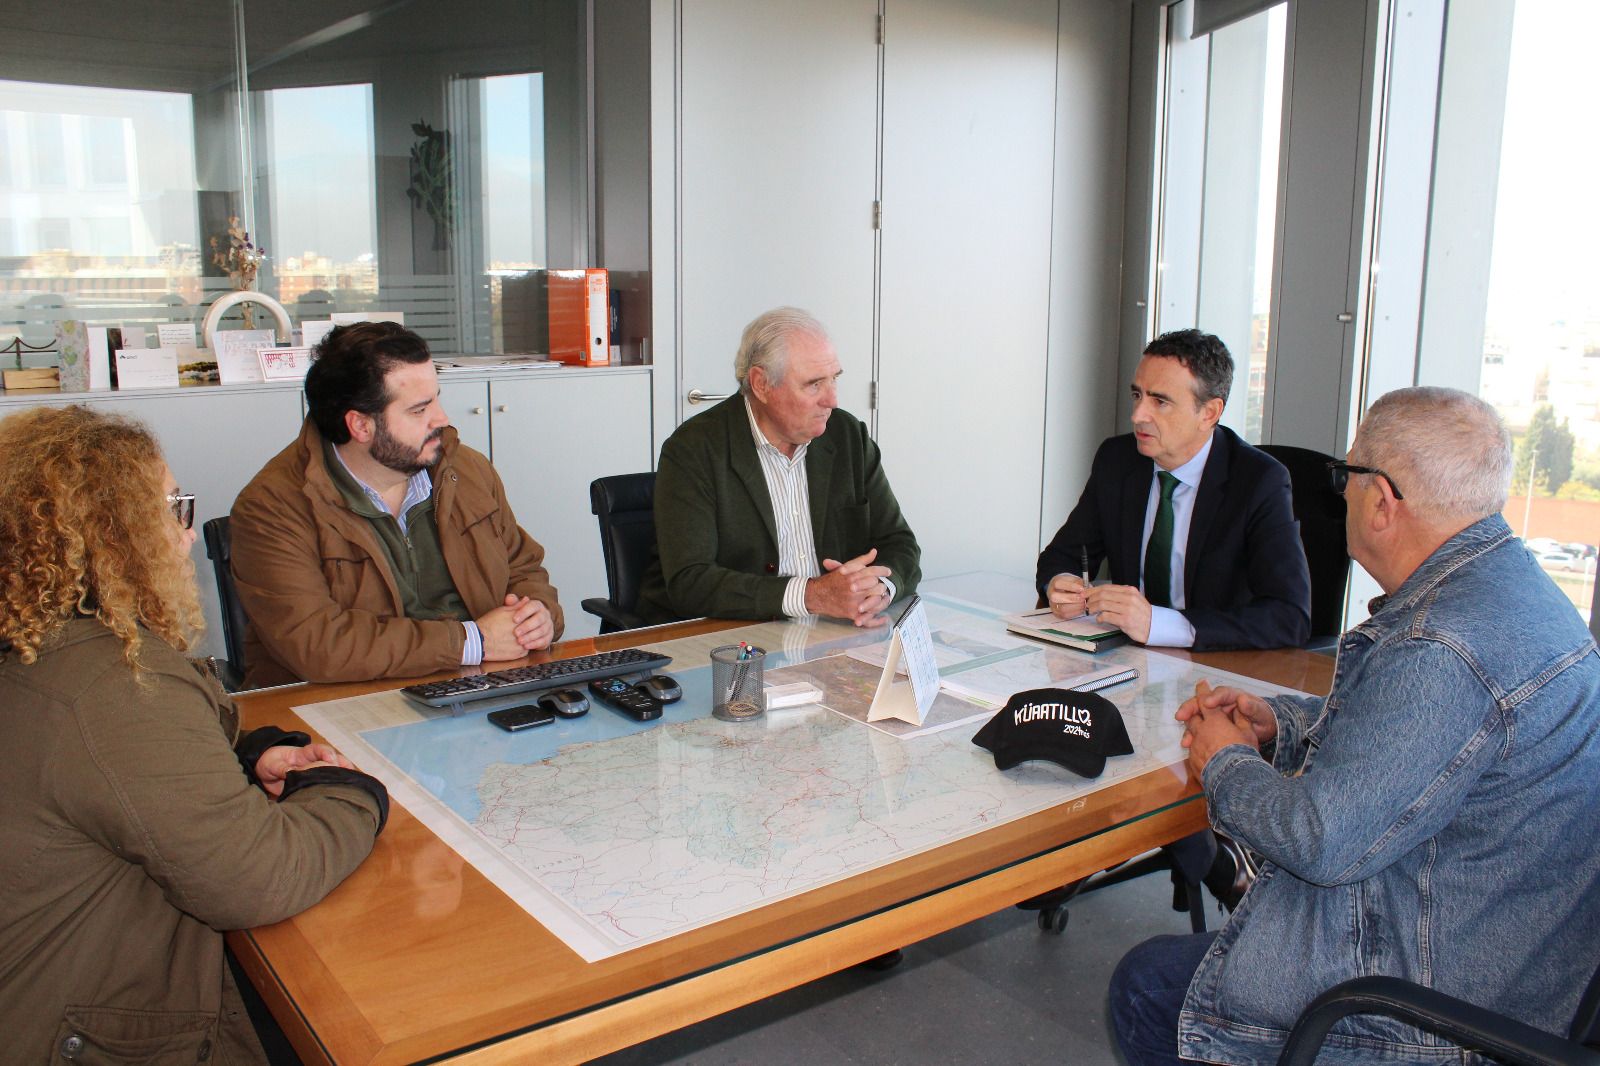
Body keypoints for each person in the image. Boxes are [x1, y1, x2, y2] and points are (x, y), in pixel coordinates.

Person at [1110, 386, 1600, 1065]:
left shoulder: (1441, 648)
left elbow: (1316, 840)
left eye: (1345, 476)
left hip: (1438, 1005)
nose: (1339, 494)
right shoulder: (1514, 592)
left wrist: (1225, 762)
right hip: (1517, 956)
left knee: (1147, 985)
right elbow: (1423, 746)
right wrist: (1279, 727)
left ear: (1382, 500)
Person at [0, 405, 389, 1064]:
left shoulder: (42, 645)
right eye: (170, 508)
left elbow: (116, 781)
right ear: (115, 534)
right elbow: (258, 879)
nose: (183, 536)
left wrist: (242, 759)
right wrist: (350, 791)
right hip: (84, 1031)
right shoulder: (112, 682)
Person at [231, 321, 562, 687]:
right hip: (343, 702)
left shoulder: (465, 469)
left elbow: (524, 566)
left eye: (437, 397)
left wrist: (539, 613)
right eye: (419, 410)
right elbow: (319, 645)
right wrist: (471, 642)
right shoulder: (270, 508)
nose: (442, 419)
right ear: (360, 426)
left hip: (480, 684)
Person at [636, 306, 920, 626]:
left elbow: (900, 544)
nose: (832, 400)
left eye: (834, 380)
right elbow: (691, 582)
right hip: (728, 638)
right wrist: (811, 595)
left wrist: (879, 589)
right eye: (814, 384)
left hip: (832, 635)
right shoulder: (694, 450)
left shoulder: (848, 436)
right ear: (761, 384)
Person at [1036, 329, 1311, 651]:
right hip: (1127, 660)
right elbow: (1062, 556)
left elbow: (1290, 616)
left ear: (1209, 413)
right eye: (1137, 395)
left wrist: (1160, 624)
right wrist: (1060, 584)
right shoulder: (1118, 460)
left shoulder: (1259, 482)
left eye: (1160, 401)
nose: (1138, 415)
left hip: (1218, 669)